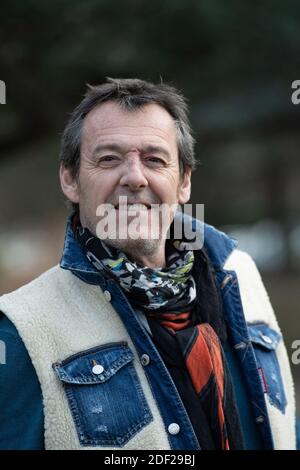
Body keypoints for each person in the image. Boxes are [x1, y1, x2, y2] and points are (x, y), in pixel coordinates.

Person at [0, 78, 296, 450]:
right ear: (70, 179)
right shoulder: (22, 331)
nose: (135, 177)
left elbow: (283, 427)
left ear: (184, 181)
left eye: (155, 160)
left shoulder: (241, 275)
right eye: (108, 159)